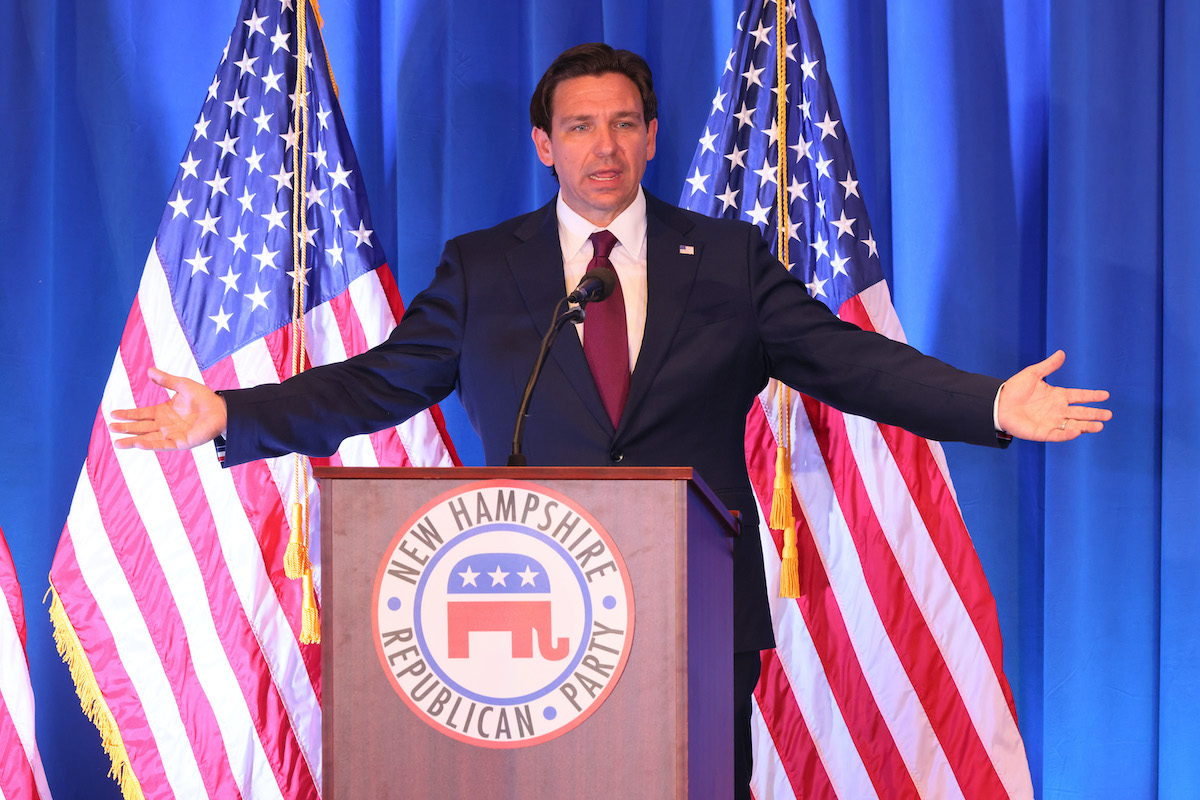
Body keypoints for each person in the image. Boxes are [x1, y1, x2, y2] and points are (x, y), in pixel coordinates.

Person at [111, 43, 1111, 799]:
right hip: (531, 621)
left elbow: (849, 362)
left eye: (625, 123)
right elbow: (381, 383)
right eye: (582, 126)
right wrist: (230, 413)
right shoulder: (485, 266)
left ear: (653, 136)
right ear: (545, 144)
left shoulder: (725, 261)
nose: (605, 145)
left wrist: (988, 400)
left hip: (696, 612)